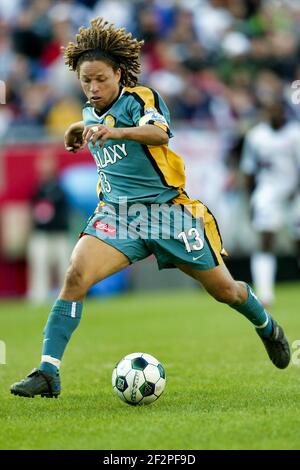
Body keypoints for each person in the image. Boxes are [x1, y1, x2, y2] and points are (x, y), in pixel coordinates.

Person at [11, 17, 290, 398]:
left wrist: (116, 131)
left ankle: (267, 326)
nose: (93, 88)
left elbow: (159, 133)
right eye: (85, 80)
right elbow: (93, 121)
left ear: (120, 74)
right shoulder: (92, 110)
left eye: (100, 79)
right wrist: (76, 129)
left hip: (167, 214)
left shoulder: (140, 98)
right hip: (118, 215)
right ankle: (48, 372)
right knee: (76, 276)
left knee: (226, 291)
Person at [240, 100, 300, 307]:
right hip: (267, 192)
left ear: (284, 111)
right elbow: (248, 170)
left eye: (277, 109)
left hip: (295, 192)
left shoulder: (295, 133)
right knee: (266, 239)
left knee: (298, 242)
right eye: (270, 109)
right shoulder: (256, 136)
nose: (273, 113)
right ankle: (265, 294)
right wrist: (250, 199)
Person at [27, 149, 71, 304]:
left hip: (59, 234)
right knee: (39, 267)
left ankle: (66, 297)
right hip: (42, 235)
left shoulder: (60, 188)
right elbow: (33, 212)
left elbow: (65, 212)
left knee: (65, 269)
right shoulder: (37, 189)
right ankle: (38, 297)